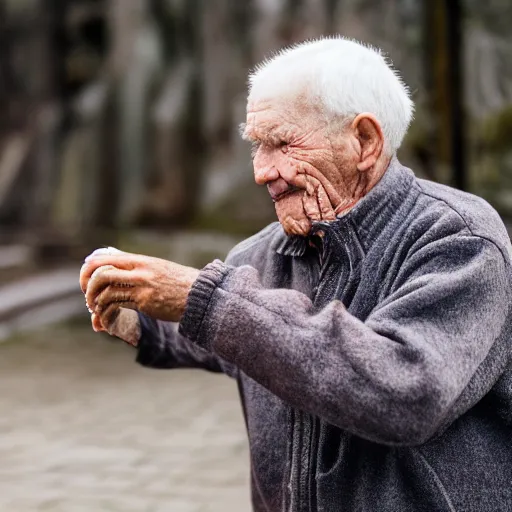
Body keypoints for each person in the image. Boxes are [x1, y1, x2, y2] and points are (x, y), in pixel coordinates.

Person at [80, 38, 512, 512]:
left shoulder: (459, 240)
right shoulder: (268, 250)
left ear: (364, 142)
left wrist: (201, 298)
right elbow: (233, 336)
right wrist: (132, 311)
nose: (263, 171)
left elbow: (406, 392)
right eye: (256, 145)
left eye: (282, 143)